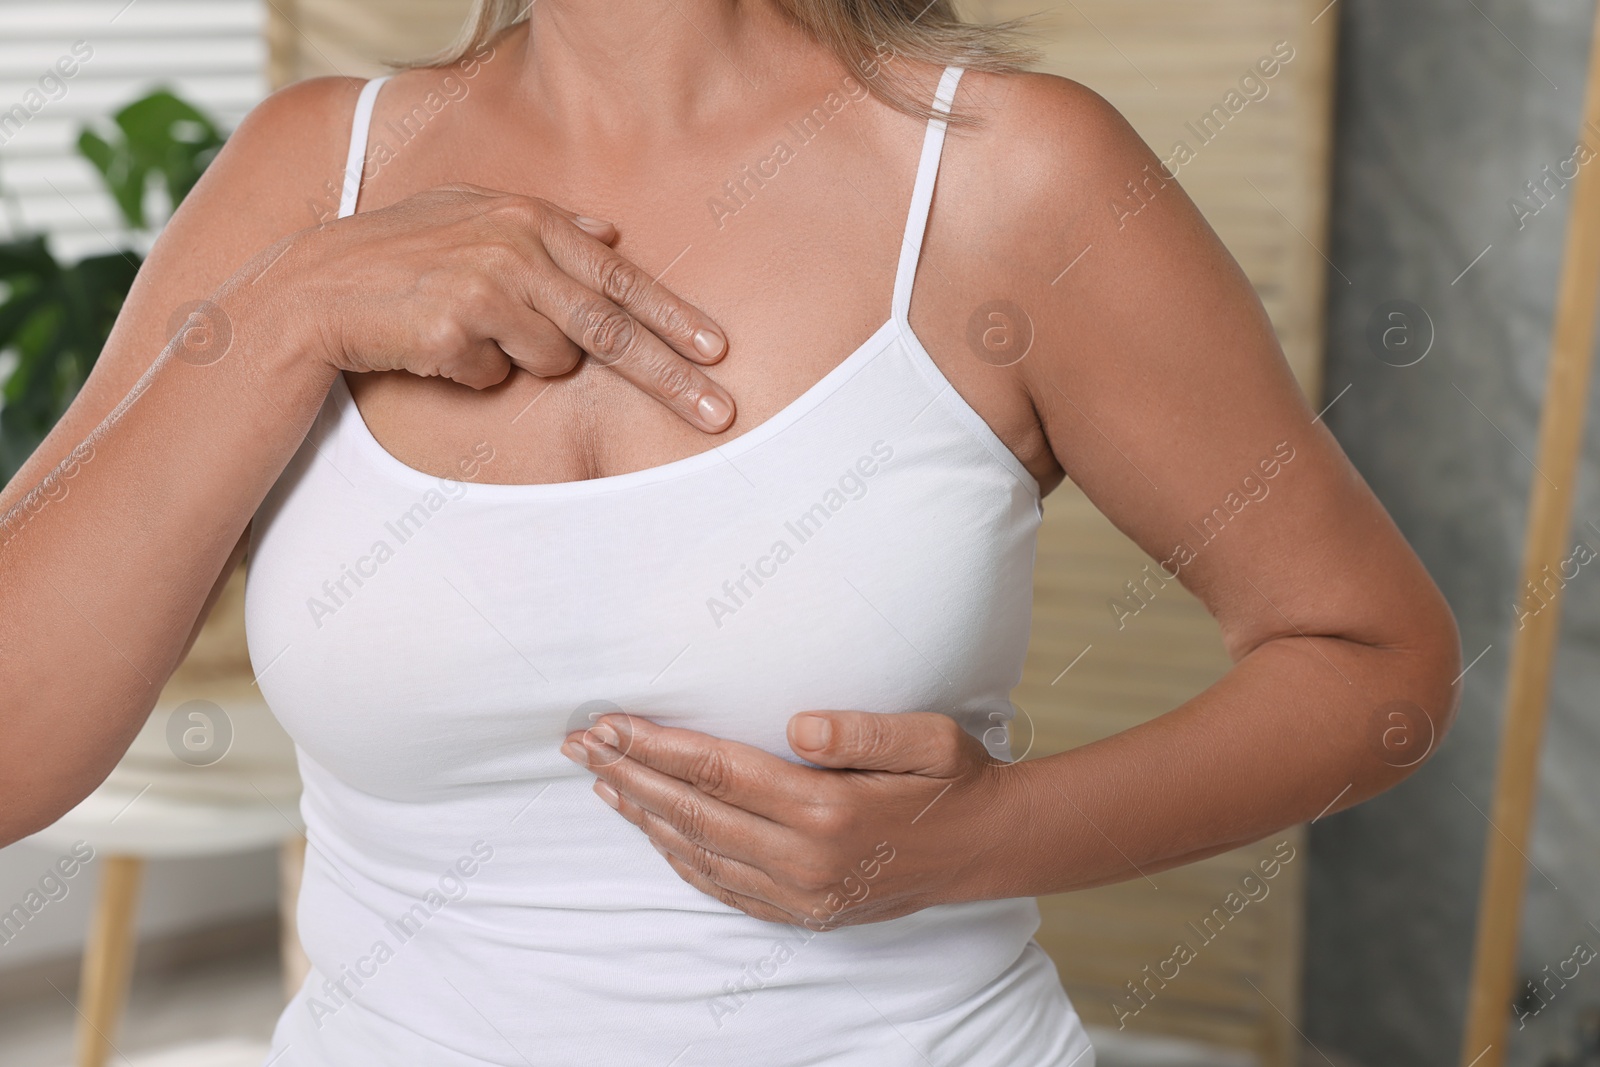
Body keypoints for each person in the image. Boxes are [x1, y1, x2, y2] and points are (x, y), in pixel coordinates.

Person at [0, 1, 1462, 1063]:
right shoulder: (309, 173)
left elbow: (1376, 663)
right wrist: (281, 313)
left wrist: (983, 837)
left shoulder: (1010, 178)